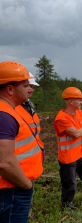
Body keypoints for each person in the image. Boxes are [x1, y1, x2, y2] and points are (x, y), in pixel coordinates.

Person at [0, 61, 43, 222]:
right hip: (10, 189)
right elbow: (4, 163)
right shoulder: (4, 115)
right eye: (25, 86)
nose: (30, 89)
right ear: (10, 89)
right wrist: (26, 185)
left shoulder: (10, 110)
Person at [53, 87, 82, 210]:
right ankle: (67, 206)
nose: (81, 102)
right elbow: (76, 134)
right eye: (79, 100)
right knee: (70, 185)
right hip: (68, 158)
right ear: (70, 101)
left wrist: (80, 129)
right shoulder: (61, 118)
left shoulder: (80, 113)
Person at [15, 72, 44, 218]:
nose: (31, 89)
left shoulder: (28, 105)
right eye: (27, 86)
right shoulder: (10, 108)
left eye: (32, 86)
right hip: (14, 170)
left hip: (28, 165)